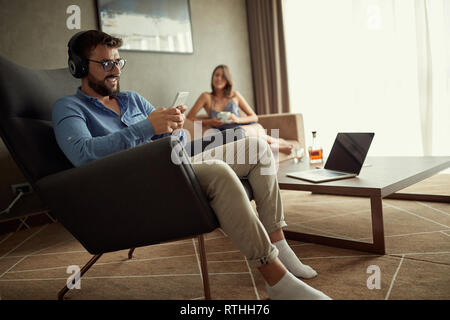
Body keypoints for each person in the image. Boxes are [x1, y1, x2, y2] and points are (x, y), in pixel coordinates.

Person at [53, 30, 330, 300]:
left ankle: (278, 242)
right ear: (78, 67)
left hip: (172, 164)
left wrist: (172, 127)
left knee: (257, 148)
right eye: (105, 63)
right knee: (219, 172)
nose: (115, 70)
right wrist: (144, 128)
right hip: (136, 185)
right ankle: (276, 278)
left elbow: (180, 141)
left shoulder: (132, 99)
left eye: (118, 61)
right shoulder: (69, 108)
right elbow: (82, 154)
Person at [187, 65, 294, 155]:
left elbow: (254, 117)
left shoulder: (235, 95)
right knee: (247, 136)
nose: (219, 78)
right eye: (217, 75)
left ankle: (278, 143)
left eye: (223, 76)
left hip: (243, 127)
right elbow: (189, 117)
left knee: (247, 133)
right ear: (212, 78)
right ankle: (278, 145)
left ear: (228, 80)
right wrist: (209, 121)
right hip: (227, 134)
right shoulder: (206, 97)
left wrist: (237, 119)